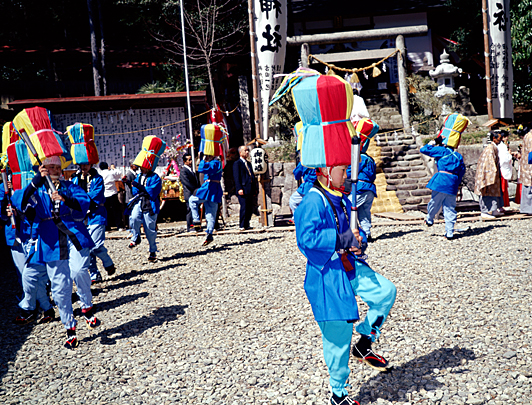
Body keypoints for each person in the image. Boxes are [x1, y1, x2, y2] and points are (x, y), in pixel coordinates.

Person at [295, 165, 396, 405]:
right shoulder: (312, 200)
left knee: (385, 292)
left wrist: (358, 239)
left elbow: (350, 230)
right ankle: (338, 394)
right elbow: (306, 240)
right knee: (338, 334)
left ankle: (365, 342)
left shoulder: (340, 196)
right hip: (326, 273)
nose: (347, 174)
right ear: (324, 172)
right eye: (341, 169)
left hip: (349, 265)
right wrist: (343, 239)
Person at [21, 156, 100, 349]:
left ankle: (86, 305)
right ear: (43, 169)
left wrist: (65, 198)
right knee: (59, 289)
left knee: (79, 271)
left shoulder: (70, 186)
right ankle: (70, 328)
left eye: (57, 167)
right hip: (50, 240)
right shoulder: (37, 189)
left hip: (73, 234)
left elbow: (84, 203)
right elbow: (24, 205)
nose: (55, 170)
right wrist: (34, 183)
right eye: (50, 167)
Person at [1, 183, 54, 325]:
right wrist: (5, 213)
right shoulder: (3, 187)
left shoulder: (30, 182)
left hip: (33, 234)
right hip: (16, 237)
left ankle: (40, 307)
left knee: (36, 273)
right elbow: (1, 214)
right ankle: (38, 308)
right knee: (24, 273)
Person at [71, 163, 116, 283]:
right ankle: (94, 273)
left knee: (95, 245)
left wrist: (79, 199)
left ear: (91, 164)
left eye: (86, 164)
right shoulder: (75, 178)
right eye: (82, 164)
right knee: (86, 246)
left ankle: (108, 263)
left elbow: (96, 194)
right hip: (80, 217)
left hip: (96, 214)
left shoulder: (98, 178)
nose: (84, 167)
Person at [420, 136, 466, 239]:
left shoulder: (442, 150)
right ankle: (449, 233)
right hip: (453, 182)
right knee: (449, 207)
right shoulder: (458, 156)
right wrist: (456, 184)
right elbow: (462, 171)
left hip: (442, 180)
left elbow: (423, 149)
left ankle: (429, 219)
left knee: (435, 202)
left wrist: (434, 141)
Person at [128, 163, 162, 262]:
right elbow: (135, 190)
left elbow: (153, 191)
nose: (142, 168)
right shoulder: (138, 176)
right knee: (133, 217)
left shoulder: (155, 177)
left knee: (149, 229)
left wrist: (140, 187)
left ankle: (152, 250)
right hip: (139, 201)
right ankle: (136, 236)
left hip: (150, 203)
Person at [189, 155, 223, 246]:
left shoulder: (215, 162)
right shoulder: (217, 162)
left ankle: (196, 220)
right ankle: (209, 234)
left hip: (209, 187)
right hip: (213, 188)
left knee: (192, 200)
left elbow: (202, 168)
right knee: (210, 213)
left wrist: (202, 159)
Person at [346, 153, 378, 241]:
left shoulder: (360, 158)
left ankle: (350, 233)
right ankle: (367, 233)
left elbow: (351, 171)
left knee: (347, 208)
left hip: (359, 188)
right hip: (370, 189)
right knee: (364, 213)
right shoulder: (370, 159)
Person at [474, 131, 505, 219]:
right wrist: (492, 172)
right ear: (494, 138)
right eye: (499, 138)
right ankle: (484, 211)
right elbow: (489, 162)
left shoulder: (493, 147)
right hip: (488, 173)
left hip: (493, 172)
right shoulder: (489, 148)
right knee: (486, 191)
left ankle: (494, 210)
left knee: (494, 192)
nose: (501, 139)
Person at [233, 146, 258, 230]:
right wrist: (239, 188)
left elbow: (252, 176)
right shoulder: (237, 163)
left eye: (248, 150)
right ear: (240, 152)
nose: (247, 152)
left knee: (250, 207)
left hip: (250, 188)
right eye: (245, 150)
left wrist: (255, 188)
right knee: (244, 206)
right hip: (243, 188)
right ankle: (242, 224)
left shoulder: (248, 163)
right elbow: (237, 177)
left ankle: (247, 223)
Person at [100, 162, 124, 231]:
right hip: (112, 193)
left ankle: (107, 227)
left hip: (104, 194)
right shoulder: (111, 172)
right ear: (108, 166)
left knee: (106, 211)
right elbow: (119, 173)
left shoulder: (100, 174)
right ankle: (119, 226)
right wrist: (113, 168)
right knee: (116, 210)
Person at [179, 153, 199, 232]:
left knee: (194, 209)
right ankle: (190, 226)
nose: (191, 161)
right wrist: (195, 189)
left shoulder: (190, 170)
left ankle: (196, 225)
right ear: (184, 161)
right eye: (189, 160)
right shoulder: (184, 171)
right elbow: (187, 183)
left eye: (191, 159)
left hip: (194, 192)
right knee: (190, 210)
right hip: (189, 193)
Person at [517, 124, 532, 214]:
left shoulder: (527, 136)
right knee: (529, 187)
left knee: (528, 186)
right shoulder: (530, 137)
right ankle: (528, 209)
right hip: (530, 164)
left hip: (527, 165)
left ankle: (526, 208)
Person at [497, 131, 513, 208]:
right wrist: (509, 155)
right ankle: (502, 204)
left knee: (504, 187)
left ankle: (504, 204)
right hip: (502, 168)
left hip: (502, 168)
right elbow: (504, 159)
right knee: (503, 188)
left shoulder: (502, 146)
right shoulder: (502, 147)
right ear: (503, 137)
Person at [122, 160, 138, 229]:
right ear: (131, 166)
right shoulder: (129, 174)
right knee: (131, 211)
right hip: (130, 194)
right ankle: (131, 226)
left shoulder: (135, 173)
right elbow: (128, 182)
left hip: (134, 194)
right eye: (135, 165)